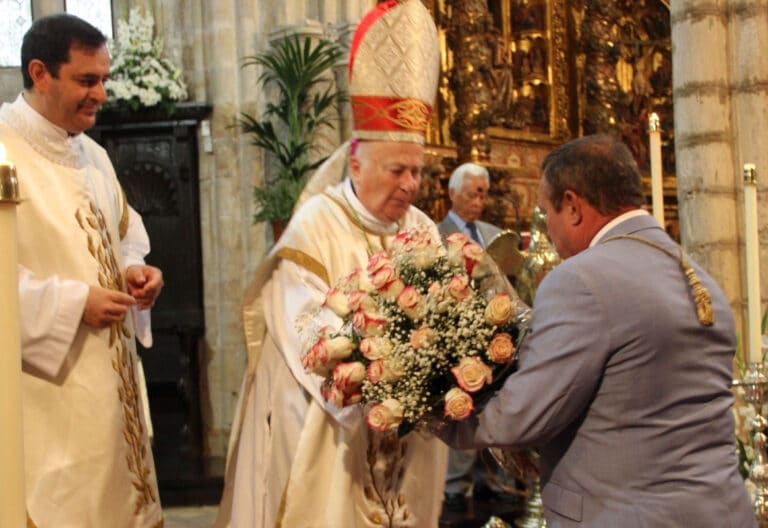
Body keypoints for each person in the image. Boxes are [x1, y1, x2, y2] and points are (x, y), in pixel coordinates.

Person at [440, 134, 755, 527]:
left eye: (547, 213)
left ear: (573, 206)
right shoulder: (701, 279)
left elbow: (520, 418)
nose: (548, 231)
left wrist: (429, 406)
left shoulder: (580, 280)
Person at [213, 1, 447, 527]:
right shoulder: (315, 227)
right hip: (332, 430)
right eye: (396, 170)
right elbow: (306, 335)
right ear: (356, 163)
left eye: (417, 171)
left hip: (406, 433)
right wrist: (385, 377)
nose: (410, 184)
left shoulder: (423, 230)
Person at [0, 14, 164, 528]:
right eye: (87, 80)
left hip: (110, 398)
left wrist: (136, 271)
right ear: (40, 73)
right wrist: (74, 304)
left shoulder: (92, 155)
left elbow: (124, 233)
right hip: (45, 399)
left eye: (104, 79)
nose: (101, 94)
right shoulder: (3, 153)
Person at [437, 162, 519, 512]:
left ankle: (498, 480)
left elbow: (511, 276)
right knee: (461, 408)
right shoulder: (435, 234)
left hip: (496, 333)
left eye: (484, 194)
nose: (479, 201)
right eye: (473, 193)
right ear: (453, 193)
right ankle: (456, 485)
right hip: (456, 334)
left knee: (498, 405)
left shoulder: (493, 233)